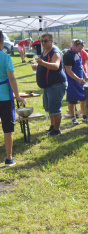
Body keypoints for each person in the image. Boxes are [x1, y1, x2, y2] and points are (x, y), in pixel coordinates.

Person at [32, 33, 67, 136]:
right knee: (50, 108)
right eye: (41, 41)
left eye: (45, 41)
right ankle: (52, 127)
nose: (43, 43)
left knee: (55, 108)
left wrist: (42, 63)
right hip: (48, 86)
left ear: (51, 41)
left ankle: (57, 130)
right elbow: (45, 65)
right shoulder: (45, 51)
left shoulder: (55, 52)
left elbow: (56, 66)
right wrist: (37, 67)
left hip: (56, 84)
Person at [0, 30, 27, 166]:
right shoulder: (5, 57)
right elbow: (12, 79)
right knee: (7, 128)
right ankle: (9, 158)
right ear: (2, 42)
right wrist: (17, 96)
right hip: (4, 98)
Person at [63, 39, 88, 125]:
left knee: (83, 98)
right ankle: (73, 118)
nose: (80, 50)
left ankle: (84, 116)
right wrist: (79, 79)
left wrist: (85, 76)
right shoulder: (68, 55)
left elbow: (80, 66)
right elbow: (69, 71)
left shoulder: (78, 53)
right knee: (72, 100)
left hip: (80, 80)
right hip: (72, 81)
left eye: (81, 49)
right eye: (79, 48)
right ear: (74, 46)